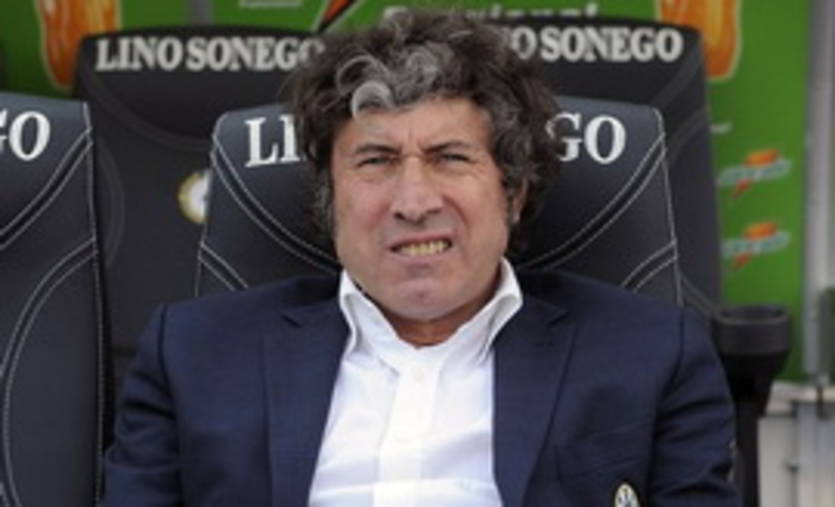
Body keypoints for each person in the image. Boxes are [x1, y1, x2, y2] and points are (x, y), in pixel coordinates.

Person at [103, 9, 740, 506]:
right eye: (376, 161)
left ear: (513, 192)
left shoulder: (652, 355)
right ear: (331, 200)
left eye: (450, 158)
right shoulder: (193, 354)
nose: (413, 201)